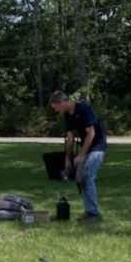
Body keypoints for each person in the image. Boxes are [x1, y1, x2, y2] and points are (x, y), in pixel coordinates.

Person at [49, 91, 107, 224]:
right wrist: (67, 158)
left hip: (97, 147)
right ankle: (89, 212)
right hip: (86, 148)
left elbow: (91, 134)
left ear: (62, 102)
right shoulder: (67, 115)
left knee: (87, 178)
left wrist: (81, 155)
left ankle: (94, 214)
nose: (56, 111)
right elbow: (70, 137)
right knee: (80, 179)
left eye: (56, 107)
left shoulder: (83, 109)